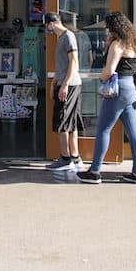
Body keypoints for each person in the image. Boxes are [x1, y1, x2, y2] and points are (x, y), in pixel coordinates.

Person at [77, 13, 136, 184]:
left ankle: (94, 171)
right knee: (133, 132)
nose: (107, 30)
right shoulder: (134, 43)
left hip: (118, 89)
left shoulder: (118, 44)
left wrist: (99, 76)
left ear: (115, 28)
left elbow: (109, 71)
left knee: (103, 129)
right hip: (132, 88)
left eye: (108, 27)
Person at [44, 12, 85, 172]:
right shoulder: (62, 38)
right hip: (66, 83)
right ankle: (75, 157)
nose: (48, 29)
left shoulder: (68, 37)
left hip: (70, 84)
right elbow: (63, 65)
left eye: (47, 26)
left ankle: (65, 157)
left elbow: (74, 62)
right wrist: (55, 81)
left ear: (51, 23)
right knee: (71, 121)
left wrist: (65, 84)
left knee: (62, 121)